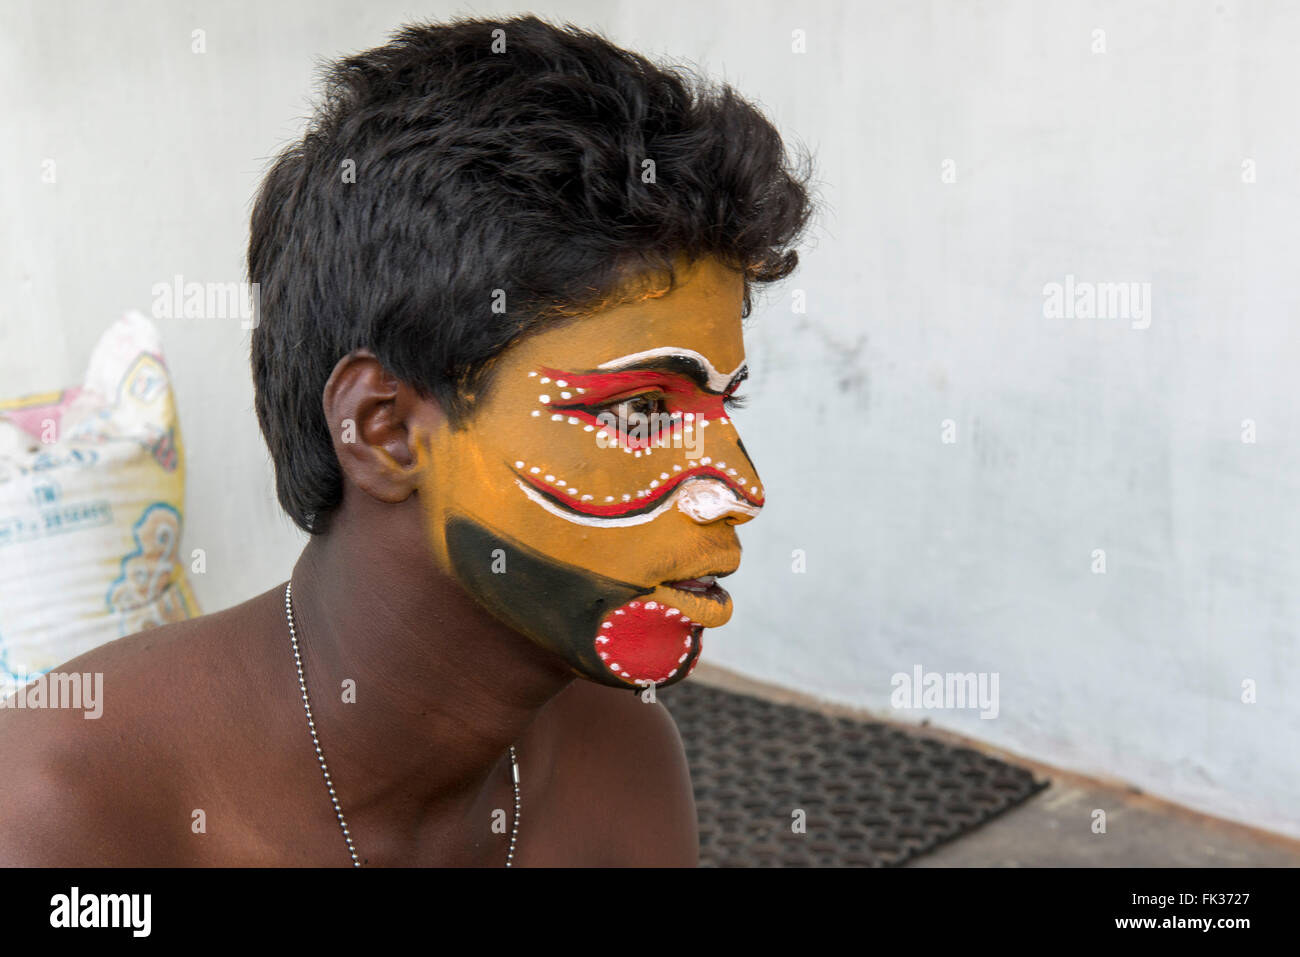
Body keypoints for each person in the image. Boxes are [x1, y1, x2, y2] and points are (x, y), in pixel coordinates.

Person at [0, 14, 813, 866]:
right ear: (384, 430)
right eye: (640, 412)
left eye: (728, 406)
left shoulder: (619, 765)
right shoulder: (63, 822)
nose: (736, 486)